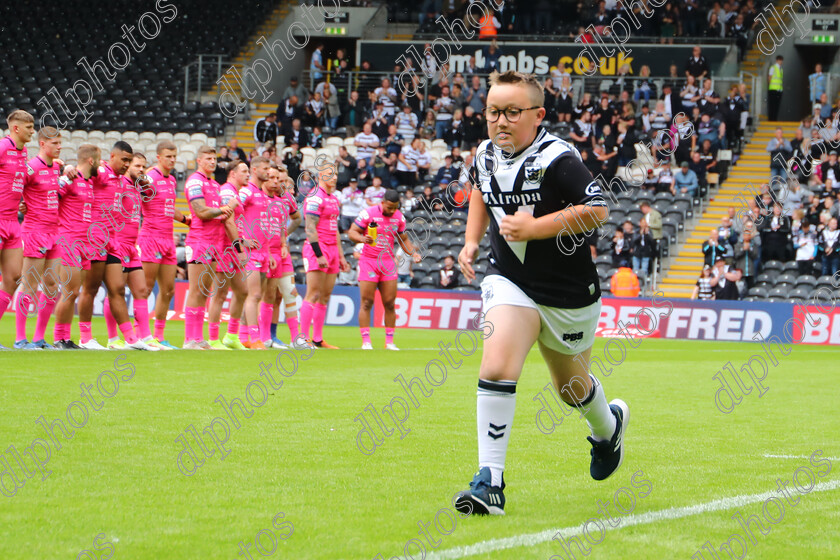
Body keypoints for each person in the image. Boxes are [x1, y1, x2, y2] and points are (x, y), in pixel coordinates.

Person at [454, 70, 627, 516]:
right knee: (496, 364)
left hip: (568, 294)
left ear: (538, 115)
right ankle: (489, 480)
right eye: (494, 111)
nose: (501, 121)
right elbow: (480, 190)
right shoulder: (485, 154)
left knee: (570, 389)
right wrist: (472, 240)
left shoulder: (558, 157)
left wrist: (533, 228)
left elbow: (598, 209)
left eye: (513, 111)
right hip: (509, 280)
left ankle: (608, 429)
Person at [76, 141, 150, 350]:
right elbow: (80, 173)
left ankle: (131, 339)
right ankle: (85, 337)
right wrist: (68, 169)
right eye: (124, 159)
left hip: (112, 241)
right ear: (112, 157)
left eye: (129, 160)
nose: (127, 164)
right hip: (94, 239)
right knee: (90, 289)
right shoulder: (100, 172)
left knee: (117, 288)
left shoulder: (121, 180)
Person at [348, 189, 422, 350]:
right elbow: (352, 232)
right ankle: (366, 341)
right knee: (367, 302)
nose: (391, 210)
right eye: (389, 207)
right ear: (382, 203)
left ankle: (389, 342)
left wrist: (413, 254)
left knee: (389, 303)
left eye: (395, 207)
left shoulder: (399, 217)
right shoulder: (368, 213)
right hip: (369, 261)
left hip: (387, 263)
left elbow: (403, 239)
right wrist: (362, 238)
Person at [15, 126, 63, 349]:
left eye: (60, 143)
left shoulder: (57, 168)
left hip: (54, 233)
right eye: (55, 143)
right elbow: (12, 189)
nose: (59, 147)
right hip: (34, 232)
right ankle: (20, 338)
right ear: (42, 144)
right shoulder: (31, 167)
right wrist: (20, 205)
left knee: (52, 285)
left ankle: (39, 338)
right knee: (30, 285)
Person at [182, 146, 235, 349]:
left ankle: (198, 337)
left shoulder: (214, 184)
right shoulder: (195, 181)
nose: (212, 162)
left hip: (214, 242)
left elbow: (219, 214)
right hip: (199, 241)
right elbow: (201, 212)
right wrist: (224, 209)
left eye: (214, 159)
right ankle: (189, 339)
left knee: (204, 292)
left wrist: (226, 211)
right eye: (208, 159)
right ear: (199, 160)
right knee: (196, 290)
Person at [138, 141, 187, 349]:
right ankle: (140, 335)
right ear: (159, 157)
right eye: (168, 156)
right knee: (146, 288)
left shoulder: (172, 179)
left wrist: (187, 220)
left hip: (168, 240)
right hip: (150, 238)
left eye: (174, 156)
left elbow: (169, 208)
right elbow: (133, 194)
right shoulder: (149, 177)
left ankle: (158, 336)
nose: (172, 160)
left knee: (168, 290)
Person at [51, 145, 98, 349]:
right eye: (99, 160)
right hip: (69, 240)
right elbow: (51, 199)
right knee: (69, 292)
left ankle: (66, 338)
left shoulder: (89, 182)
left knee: (75, 292)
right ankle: (59, 338)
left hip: (84, 243)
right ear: (91, 161)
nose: (100, 163)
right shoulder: (70, 179)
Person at [300, 164, 351, 348]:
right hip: (318, 248)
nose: (335, 177)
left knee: (325, 296)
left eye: (336, 173)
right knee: (312, 294)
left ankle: (318, 339)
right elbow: (310, 228)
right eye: (330, 174)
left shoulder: (333, 199)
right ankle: (303, 339)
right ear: (321, 175)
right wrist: (318, 253)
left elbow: (335, 229)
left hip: (332, 251)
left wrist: (341, 256)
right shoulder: (315, 197)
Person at [207, 158, 249, 350]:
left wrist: (243, 242)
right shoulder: (226, 192)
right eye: (244, 171)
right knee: (220, 294)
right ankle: (213, 338)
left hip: (233, 247)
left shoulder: (235, 193)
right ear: (233, 173)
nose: (248, 174)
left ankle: (232, 336)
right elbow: (228, 222)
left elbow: (236, 224)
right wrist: (239, 247)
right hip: (224, 248)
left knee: (242, 291)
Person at [0, 110, 34, 349]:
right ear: (16, 128)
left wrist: (20, 199)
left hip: (13, 222)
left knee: (13, 278)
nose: (33, 131)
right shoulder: (3, 146)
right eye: (29, 127)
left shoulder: (24, 153)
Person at [768, 55, 784, 122]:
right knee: (772, 105)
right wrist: (770, 86)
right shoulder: (773, 68)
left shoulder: (781, 69)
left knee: (777, 105)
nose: (781, 62)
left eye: (781, 60)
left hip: (779, 90)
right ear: (777, 60)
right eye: (780, 60)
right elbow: (769, 77)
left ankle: (774, 119)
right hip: (773, 89)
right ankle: (771, 119)